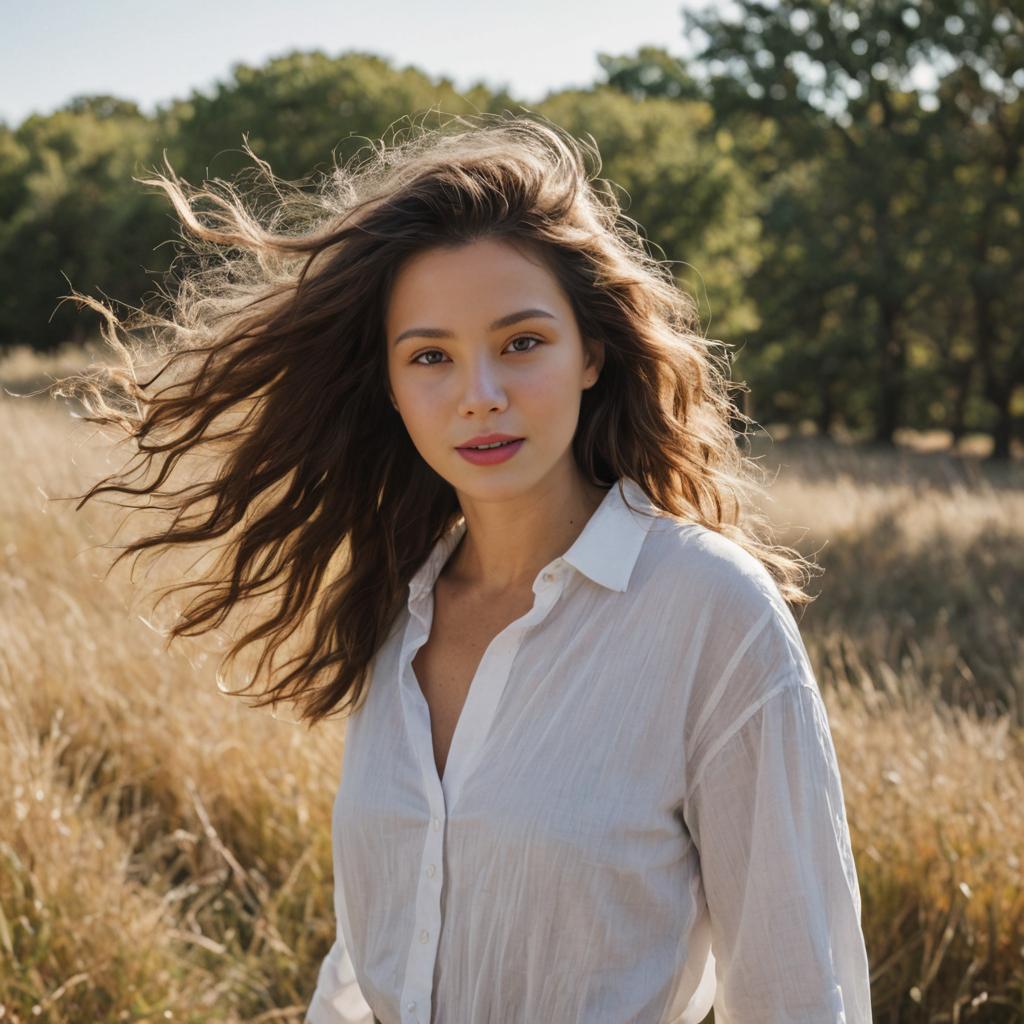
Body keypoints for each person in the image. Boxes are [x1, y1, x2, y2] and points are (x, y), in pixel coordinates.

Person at [58, 112, 872, 1023]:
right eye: (431, 357)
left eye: (522, 343)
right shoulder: (397, 613)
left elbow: (799, 983)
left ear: (591, 352)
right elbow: (378, 956)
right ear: (394, 386)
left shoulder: (711, 613)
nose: (480, 395)